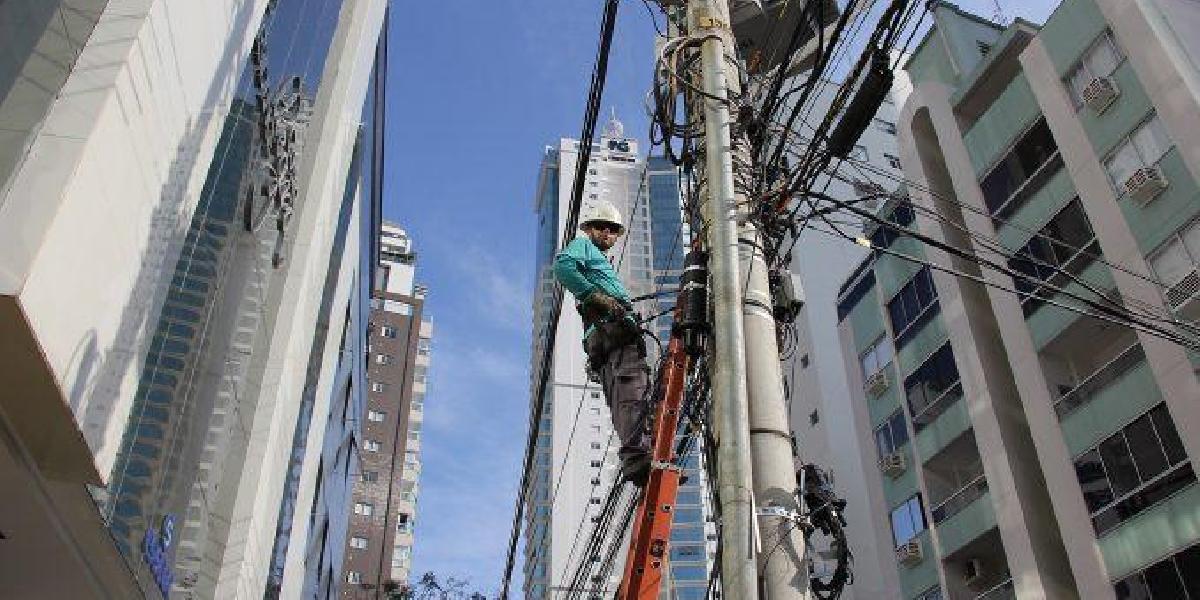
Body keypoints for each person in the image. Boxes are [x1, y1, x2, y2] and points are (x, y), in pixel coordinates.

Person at [553, 200, 652, 486]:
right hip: (612, 332)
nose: (607, 233)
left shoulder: (601, 261)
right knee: (631, 392)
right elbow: (563, 267)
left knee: (634, 394)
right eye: (601, 227)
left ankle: (642, 450)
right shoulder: (582, 247)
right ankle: (637, 455)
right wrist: (596, 296)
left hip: (611, 336)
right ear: (590, 229)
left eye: (612, 230)